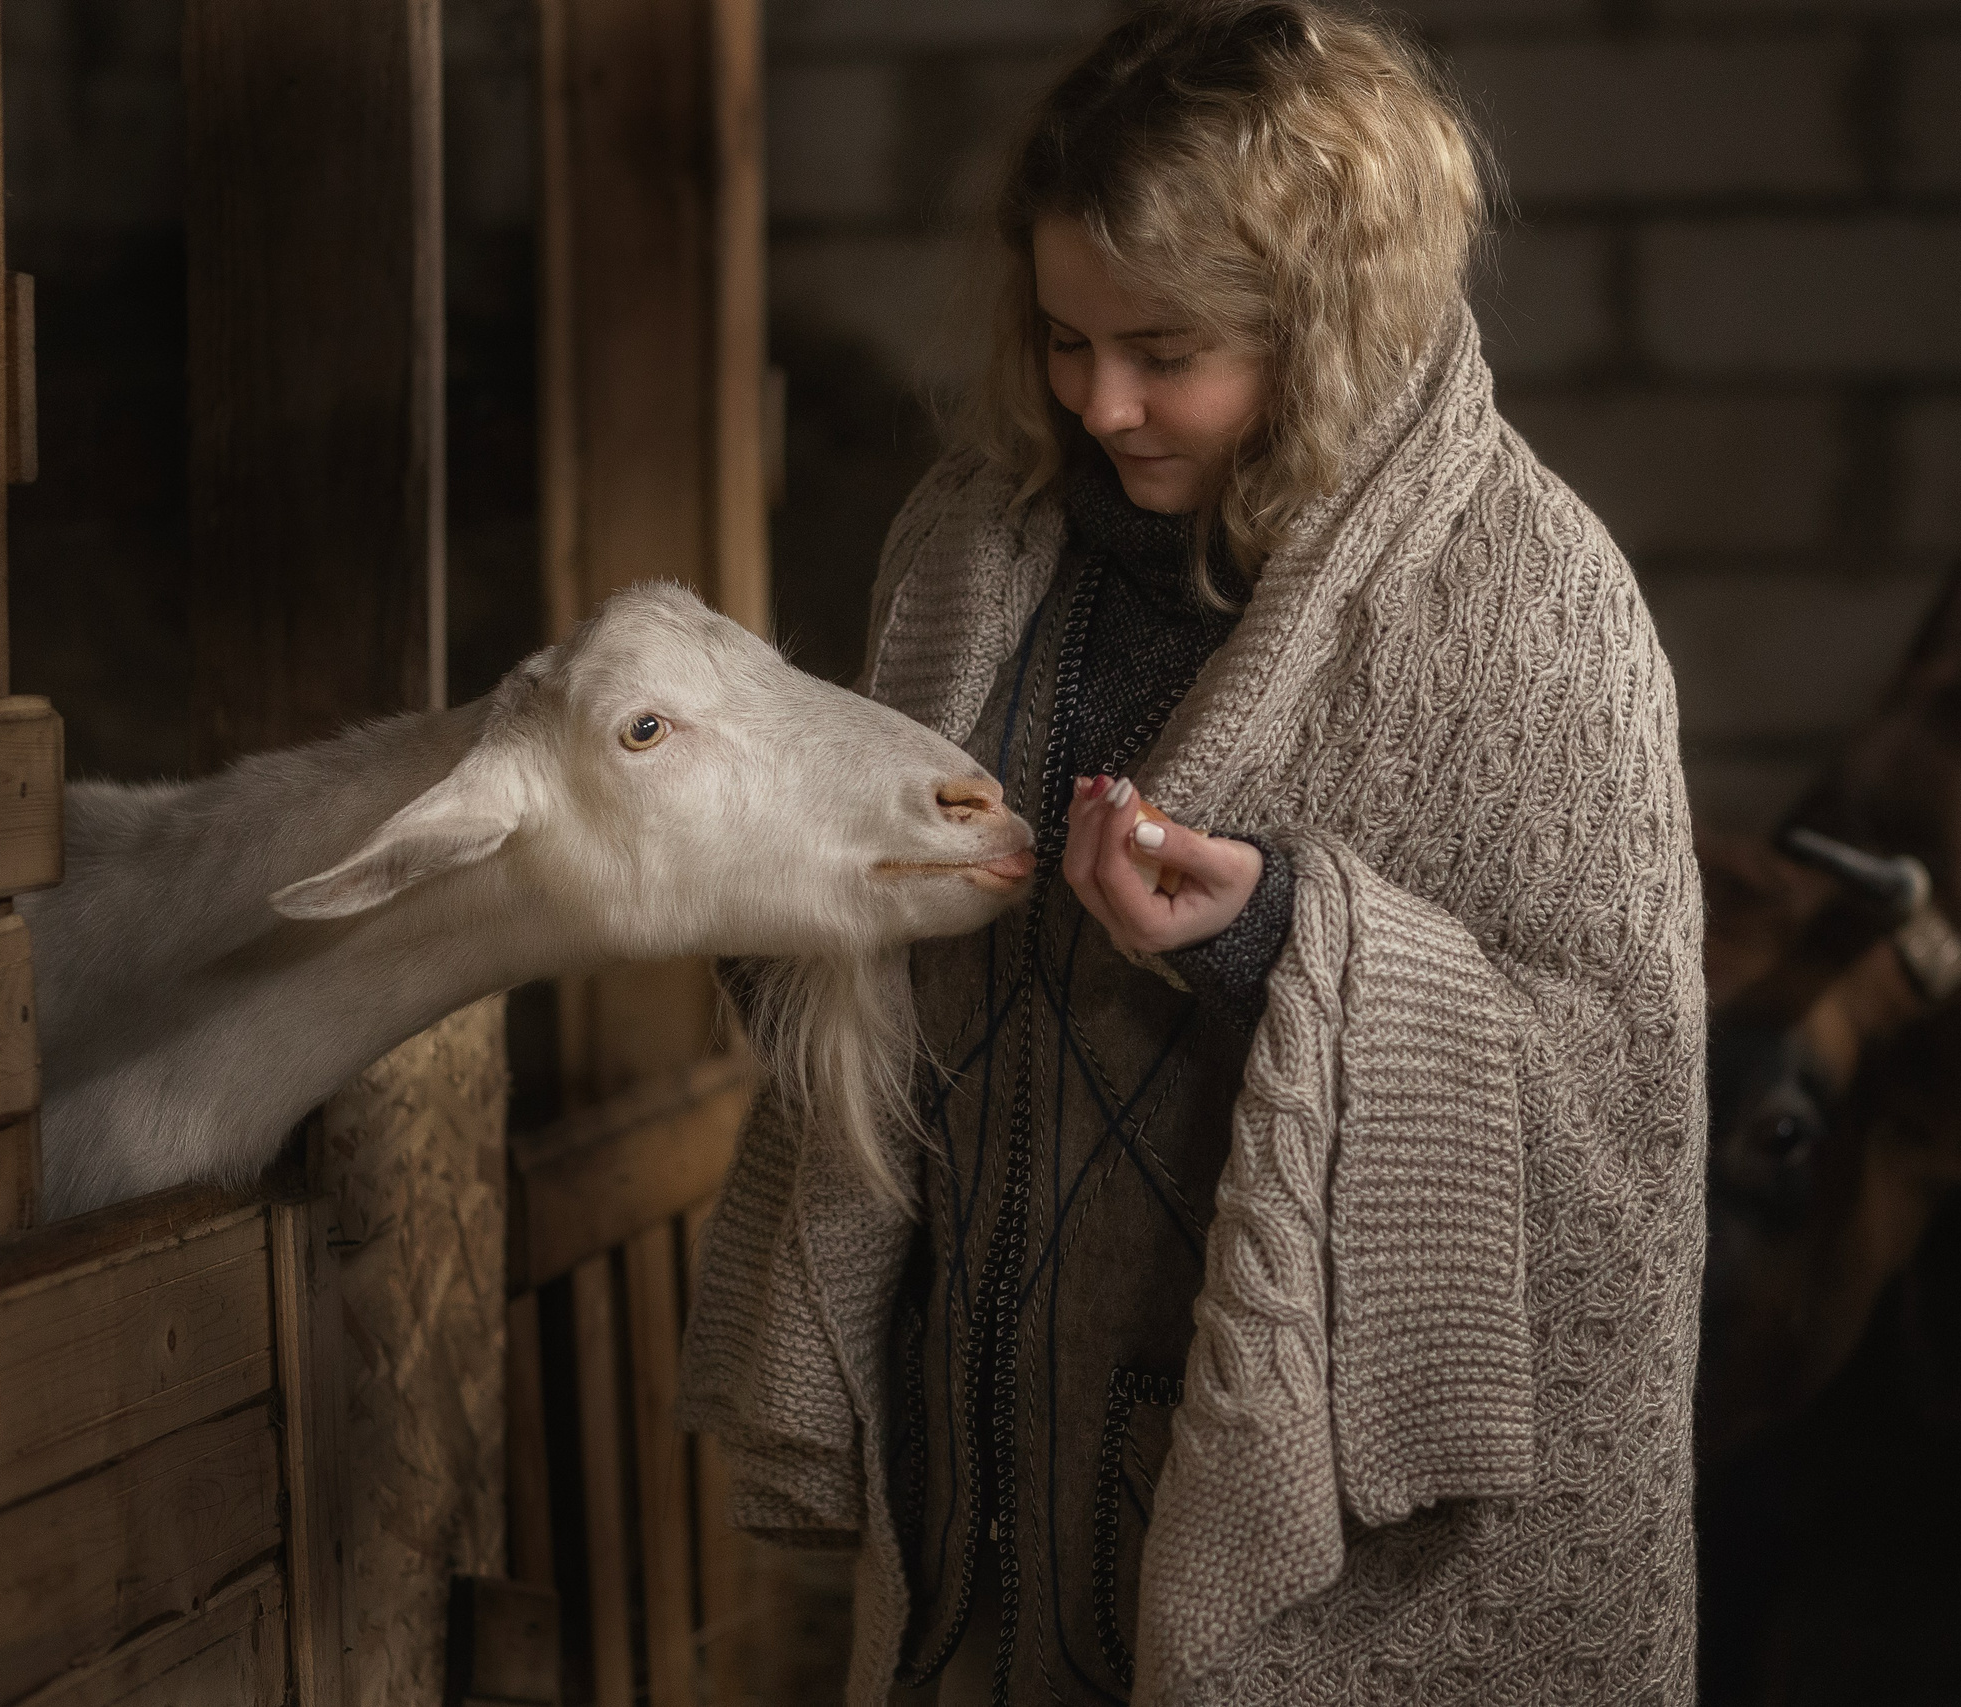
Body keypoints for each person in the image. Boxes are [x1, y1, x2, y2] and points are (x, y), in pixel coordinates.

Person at [682, 3, 1707, 1702]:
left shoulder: (1536, 611)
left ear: (1331, 321)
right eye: (1064, 337)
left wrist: (1284, 937)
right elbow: (876, 958)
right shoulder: (969, 542)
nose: (1102, 403)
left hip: (1271, 1500)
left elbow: (1622, 1106)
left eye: (1167, 348)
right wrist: (778, 901)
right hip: (975, 1453)